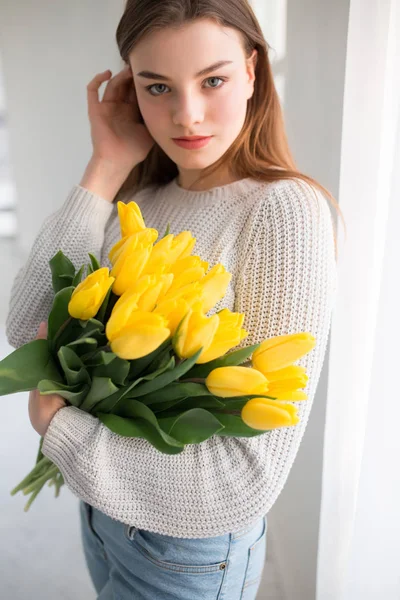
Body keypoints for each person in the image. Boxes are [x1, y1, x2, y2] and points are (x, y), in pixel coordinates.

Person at [6, 1, 343, 598]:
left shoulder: (283, 212)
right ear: (131, 89)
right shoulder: (146, 198)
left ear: (253, 73)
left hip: (189, 550)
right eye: (156, 86)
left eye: (212, 80)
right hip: (105, 511)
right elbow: (28, 323)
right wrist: (105, 165)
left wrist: (61, 432)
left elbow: (246, 480)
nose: (186, 115)